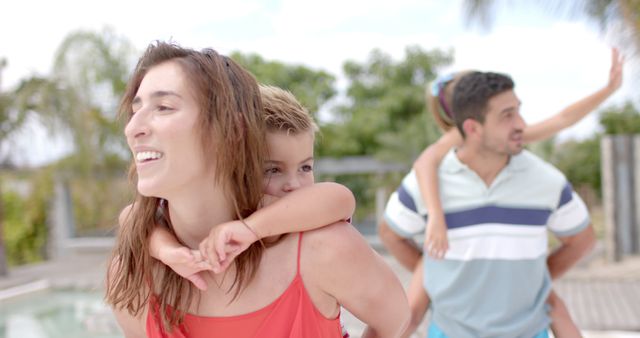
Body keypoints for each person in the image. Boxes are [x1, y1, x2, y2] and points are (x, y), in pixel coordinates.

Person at [105, 41, 409, 338]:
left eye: (164, 107)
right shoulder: (131, 274)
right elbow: (131, 217)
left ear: (231, 131)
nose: (133, 128)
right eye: (136, 109)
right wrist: (166, 251)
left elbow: (394, 320)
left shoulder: (323, 249)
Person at [380, 48, 623, 337]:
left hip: (524, 321)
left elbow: (563, 119)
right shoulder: (452, 145)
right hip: (451, 322)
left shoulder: (515, 141)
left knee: (554, 306)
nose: (519, 123)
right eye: (507, 113)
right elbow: (424, 165)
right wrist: (436, 220)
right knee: (414, 304)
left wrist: (608, 90)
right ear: (469, 121)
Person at [146, 84, 357, 337]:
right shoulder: (214, 209)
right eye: (272, 170)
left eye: (305, 167)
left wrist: (251, 227)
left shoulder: (308, 209)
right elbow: (136, 219)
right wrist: (167, 251)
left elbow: (341, 197)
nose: (294, 185)